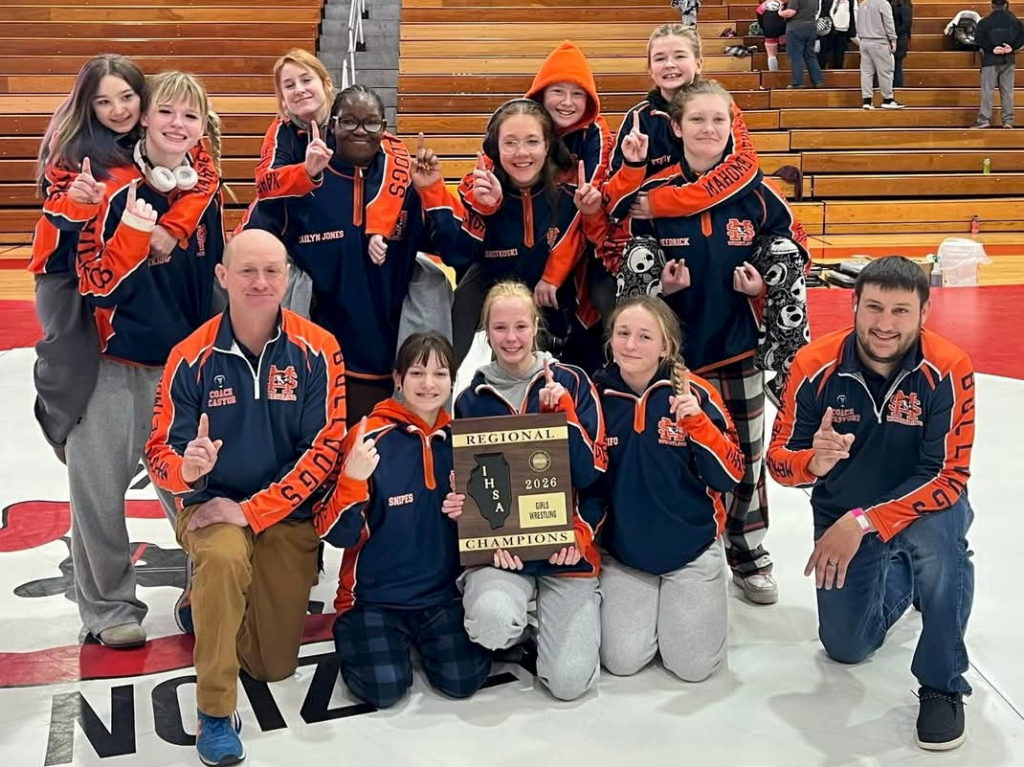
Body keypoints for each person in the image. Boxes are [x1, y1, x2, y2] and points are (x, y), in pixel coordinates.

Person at [146, 229, 346, 766]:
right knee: (223, 559)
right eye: (247, 271)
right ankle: (214, 711)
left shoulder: (319, 348)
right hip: (211, 508)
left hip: (283, 511)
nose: (260, 282)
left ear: (287, 277)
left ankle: (207, 604)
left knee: (271, 664)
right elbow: (158, 451)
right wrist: (188, 472)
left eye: (271, 271)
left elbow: (323, 450)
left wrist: (254, 510)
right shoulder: (188, 356)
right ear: (222, 276)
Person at [607, 80, 810, 606]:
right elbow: (630, 259)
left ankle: (748, 552)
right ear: (676, 127)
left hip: (737, 349)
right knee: (677, 452)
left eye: (718, 119)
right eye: (696, 119)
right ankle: (690, 542)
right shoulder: (655, 194)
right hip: (675, 358)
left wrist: (762, 288)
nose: (708, 129)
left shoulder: (755, 192)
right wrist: (661, 289)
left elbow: (792, 253)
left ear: (731, 125)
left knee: (747, 455)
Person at [766, 256, 976, 751]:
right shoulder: (813, 364)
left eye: (901, 310)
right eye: (874, 307)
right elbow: (778, 461)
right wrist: (814, 464)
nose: (885, 324)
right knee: (846, 647)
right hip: (842, 512)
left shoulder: (949, 367)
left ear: (924, 312)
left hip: (917, 510)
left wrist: (864, 522)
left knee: (941, 550)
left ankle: (943, 685)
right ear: (854, 305)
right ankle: (904, 574)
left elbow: (949, 475)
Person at [70, 71, 225, 650]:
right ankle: (109, 607)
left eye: (190, 115)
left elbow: (212, 284)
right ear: (142, 117)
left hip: (178, 367)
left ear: (202, 127)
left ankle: (203, 589)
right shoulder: (108, 185)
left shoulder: (205, 194)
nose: (177, 125)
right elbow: (87, 281)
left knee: (193, 485)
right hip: (107, 362)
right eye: (166, 112)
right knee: (98, 492)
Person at [29, 55, 217, 461]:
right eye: (103, 101)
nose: (119, 110)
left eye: (127, 97)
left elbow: (205, 176)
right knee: (68, 352)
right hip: (61, 266)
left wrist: (174, 227)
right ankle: (63, 428)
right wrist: (82, 202)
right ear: (88, 105)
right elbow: (57, 210)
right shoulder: (71, 147)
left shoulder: (165, 135)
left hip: (119, 255)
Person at [317, 332, 492, 709]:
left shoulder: (463, 441)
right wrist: (352, 480)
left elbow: (488, 525)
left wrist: (469, 517)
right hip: (374, 599)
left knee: (463, 680)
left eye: (440, 374)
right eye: (417, 373)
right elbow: (336, 534)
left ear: (452, 380)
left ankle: (418, 642)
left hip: (441, 597)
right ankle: (363, 634)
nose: (428, 384)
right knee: (383, 689)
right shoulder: (367, 438)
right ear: (398, 379)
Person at [452, 281, 606, 701]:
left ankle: (564, 616)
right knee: (490, 625)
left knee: (569, 684)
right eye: (500, 328)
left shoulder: (572, 381)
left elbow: (594, 476)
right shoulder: (470, 400)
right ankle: (518, 618)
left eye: (521, 326)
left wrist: (580, 534)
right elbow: (471, 488)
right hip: (505, 555)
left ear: (536, 326)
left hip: (566, 553)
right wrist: (482, 534)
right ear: (486, 332)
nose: (511, 338)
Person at [241, 84, 429, 424]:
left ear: (384, 129)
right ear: (333, 125)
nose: (361, 131)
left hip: (389, 365)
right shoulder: (303, 184)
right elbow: (248, 243)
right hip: (316, 364)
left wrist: (434, 189)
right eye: (349, 121)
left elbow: (457, 250)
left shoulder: (406, 189)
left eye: (371, 123)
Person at [589, 297, 744, 681]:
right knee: (622, 661)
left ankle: (700, 594)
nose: (631, 345)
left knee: (693, 668)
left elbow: (730, 475)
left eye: (645, 336)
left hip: (691, 550)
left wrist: (698, 425)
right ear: (610, 339)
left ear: (666, 347)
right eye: (623, 333)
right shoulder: (595, 396)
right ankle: (659, 611)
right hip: (625, 554)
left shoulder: (696, 394)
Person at [456, 40, 615, 369]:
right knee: (471, 301)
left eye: (577, 93)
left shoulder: (594, 137)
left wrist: (554, 274)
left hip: (574, 251)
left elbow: (584, 214)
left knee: (600, 308)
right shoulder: (515, 121)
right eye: (558, 91)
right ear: (541, 94)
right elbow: (476, 182)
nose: (567, 102)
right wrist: (487, 203)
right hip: (513, 260)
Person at [414, 100, 604, 367]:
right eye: (510, 143)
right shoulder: (476, 187)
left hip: (557, 306)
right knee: (460, 318)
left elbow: (597, 243)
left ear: (547, 146)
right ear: (495, 147)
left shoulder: (572, 192)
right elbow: (456, 254)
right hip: (493, 296)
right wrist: (442, 192)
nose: (521, 153)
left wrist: (592, 213)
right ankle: (444, 380)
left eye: (532, 142)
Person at [602, 24, 763, 285]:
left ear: (698, 63)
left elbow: (743, 167)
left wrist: (662, 202)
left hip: (718, 226)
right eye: (660, 58)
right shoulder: (638, 120)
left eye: (679, 56)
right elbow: (613, 203)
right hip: (660, 232)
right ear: (650, 69)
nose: (669, 64)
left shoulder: (722, 106)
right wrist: (633, 166)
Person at [255, 50, 411, 263]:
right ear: (282, 99)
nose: (299, 89)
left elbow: (397, 158)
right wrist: (306, 171)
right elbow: (264, 184)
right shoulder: (281, 132)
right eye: (289, 85)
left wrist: (379, 226)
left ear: (327, 84)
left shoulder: (347, 115)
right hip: (296, 238)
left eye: (306, 80)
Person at [973, 0, 1024, 128]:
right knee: (1007, 92)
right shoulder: (1014, 22)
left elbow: (979, 38)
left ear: (992, 5)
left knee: (987, 91)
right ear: (1006, 5)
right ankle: (1008, 121)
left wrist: (992, 48)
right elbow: (1022, 36)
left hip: (990, 60)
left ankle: (984, 120)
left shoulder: (984, 22)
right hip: (1008, 60)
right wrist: (1012, 47)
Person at [855, 0, 906, 108]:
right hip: (879, 41)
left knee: (866, 72)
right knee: (885, 71)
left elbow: (857, 23)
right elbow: (888, 22)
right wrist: (893, 39)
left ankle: (867, 100)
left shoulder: (862, 4)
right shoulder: (883, 3)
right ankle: (888, 99)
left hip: (864, 41)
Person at [779, 0, 825, 87]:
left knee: (796, 56)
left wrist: (780, 13)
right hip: (811, 26)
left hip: (796, 27)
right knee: (810, 55)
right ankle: (817, 81)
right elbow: (817, 11)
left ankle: (797, 82)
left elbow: (790, 12)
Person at [818, 0, 858, 69]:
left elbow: (853, 16)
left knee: (838, 59)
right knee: (823, 58)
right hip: (827, 31)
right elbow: (820, 13)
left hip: (842, 32)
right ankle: (819, 74)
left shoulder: (851, 1)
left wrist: (852, 34)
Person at [757, 0, 789, 71]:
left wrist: (766, 31)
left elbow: (761, 22)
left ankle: (773, 74)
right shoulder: (785, 4)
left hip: (769, 32)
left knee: (771, 55)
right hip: (785, 32)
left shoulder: (761, 7)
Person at [890, 0, 913, 86]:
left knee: (897, 66)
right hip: (897, 38)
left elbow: (906, 24)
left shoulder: (903, 4)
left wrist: (892, 35)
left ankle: (897, 88)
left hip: (900, 39)